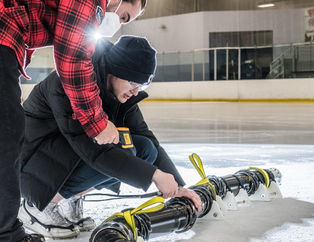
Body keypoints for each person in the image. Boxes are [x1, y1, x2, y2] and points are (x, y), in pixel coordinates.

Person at [18, 36, 202, 239]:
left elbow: (144, 135)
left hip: (64, 156)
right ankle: (37, 205)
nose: (135, 91)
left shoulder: (121, 93)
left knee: (144, 148)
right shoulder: (72, 84)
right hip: (32, 162)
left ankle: (68, 198)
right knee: (123, 151)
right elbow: (93, 151)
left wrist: (177, 186)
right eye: (132, 82)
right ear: (114, 71)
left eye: (142, 85)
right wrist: (155, 175)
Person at [0, 0, 147, 241]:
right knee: (6, 133)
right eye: (124, 17)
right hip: (3, 34)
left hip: (10, 38)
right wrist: (97, 123)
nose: (118, 24)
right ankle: (6, 235)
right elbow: (72, 57)